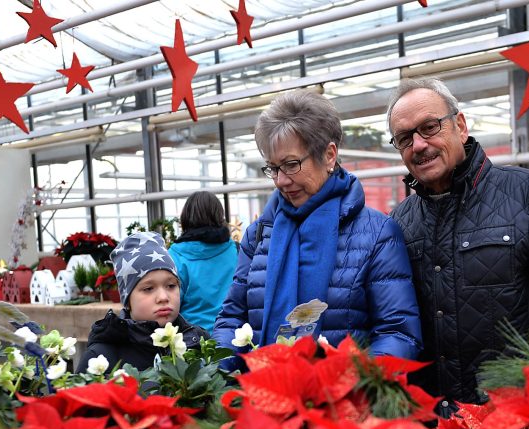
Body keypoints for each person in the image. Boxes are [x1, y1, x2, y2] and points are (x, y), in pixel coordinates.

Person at [386, 77, 529, 413]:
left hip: (514, 420)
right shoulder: (400, 222)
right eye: (404, 138)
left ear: (460, 125)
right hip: (433, 426)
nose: (418, 145)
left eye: (429, 127)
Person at [214, 90, 422, 365]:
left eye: (291, 165)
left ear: (329, 155)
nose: (280, 181)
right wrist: (222, 376)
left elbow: (397, 333)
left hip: (342, 401)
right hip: (265, 398)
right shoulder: (260, 235)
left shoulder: (376, 234)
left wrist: (348, 387)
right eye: (273, 168)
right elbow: (232, 320)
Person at [77, 231, 209, 372]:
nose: (163, 297)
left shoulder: (198, 342)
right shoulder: (102, 358)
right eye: (148, 289)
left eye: (171, 286)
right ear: (127, 301)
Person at [169, 191, 239, 330]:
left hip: (191, 342)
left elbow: (170, 307)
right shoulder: (237, 251)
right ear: (219, 216)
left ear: (185, 218)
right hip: (234, 336)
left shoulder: (174, 256)